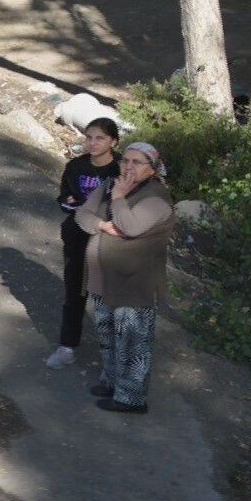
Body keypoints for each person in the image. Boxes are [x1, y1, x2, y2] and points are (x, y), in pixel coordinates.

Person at [75, 142, 174, 414]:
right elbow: (82, 214)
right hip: (102, 277)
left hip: (133, 283)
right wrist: (101, 225)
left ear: (152, 169)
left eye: (137, 162)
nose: (128, 167)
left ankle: (131, 399)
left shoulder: (156, 199)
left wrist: (118, 197)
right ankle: (112, 382)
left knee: (132, 341)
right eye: (125, 161)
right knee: (108, 335)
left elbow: (130, 226)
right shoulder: (110, 183)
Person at [46, 117, 121, 369]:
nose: (93, 143)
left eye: (100, 138)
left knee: (108, 299)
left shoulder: (121, 169)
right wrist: (70, 204)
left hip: (109, 242)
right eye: (89, 137)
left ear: (113, 141)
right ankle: (67, 346)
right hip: (78, 237)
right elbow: (65, 199)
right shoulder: (75, 167)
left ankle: (110, 361)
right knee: (74, 293)